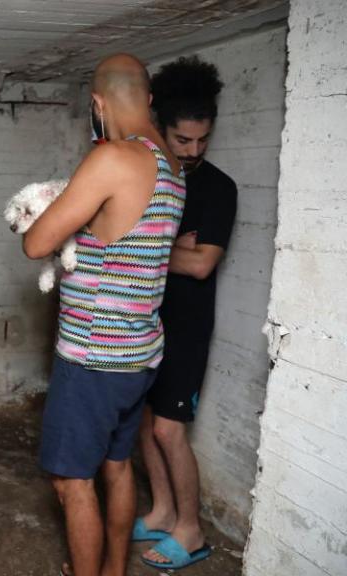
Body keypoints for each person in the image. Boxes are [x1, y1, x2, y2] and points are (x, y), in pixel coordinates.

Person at [20, 54, 186, 576]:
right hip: (139, 353)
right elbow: (118, 233)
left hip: (94, 355)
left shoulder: (113, 157)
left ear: (97, 104)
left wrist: (46, 205)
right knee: (116, 467)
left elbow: (37, 242)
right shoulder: (171, 165)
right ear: (149, 100)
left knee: (71, 481)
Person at [136, 56, 236, 570]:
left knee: (171, 430)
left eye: (203, 140)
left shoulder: (218, 188)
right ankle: (161, 511)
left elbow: (201, 265)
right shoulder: (152, 179)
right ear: (162, 130)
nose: (194, 151)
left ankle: (191, 530)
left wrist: (153, 249)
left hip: (187, 327)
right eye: (183, 140)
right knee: (146, 424)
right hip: (145, 320)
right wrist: (171, 247)